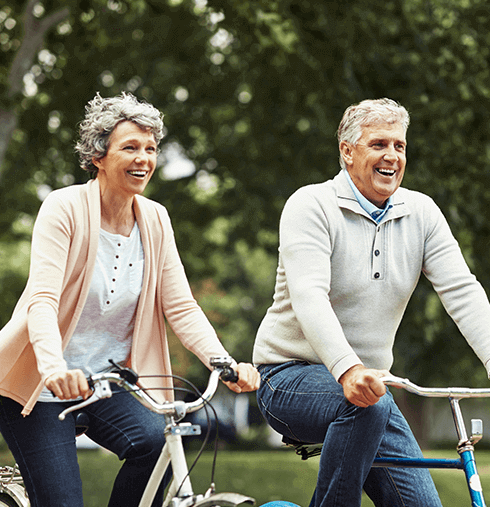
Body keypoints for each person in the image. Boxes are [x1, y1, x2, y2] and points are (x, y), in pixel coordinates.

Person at [0, 92, 260, 507]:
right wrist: (54, 369)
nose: (144, 159)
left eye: (151, 149)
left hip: (109, 384)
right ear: (99, 157)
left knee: (158, 445)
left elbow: (181, 306)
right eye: (130, 148)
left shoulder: (155, 218)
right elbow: (43, 301)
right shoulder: (63, 208)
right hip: (43, 385)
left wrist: (223, 362)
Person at [253, 98, 490, 507]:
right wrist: (348, 369)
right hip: (288, 377)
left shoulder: (423, 214)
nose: (391, 156)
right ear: (347, 151)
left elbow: (463, 293)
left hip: (371, 390)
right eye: (379, 144)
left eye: (399, 146)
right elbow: (310, 297)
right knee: (366, 405)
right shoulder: (310, 205)